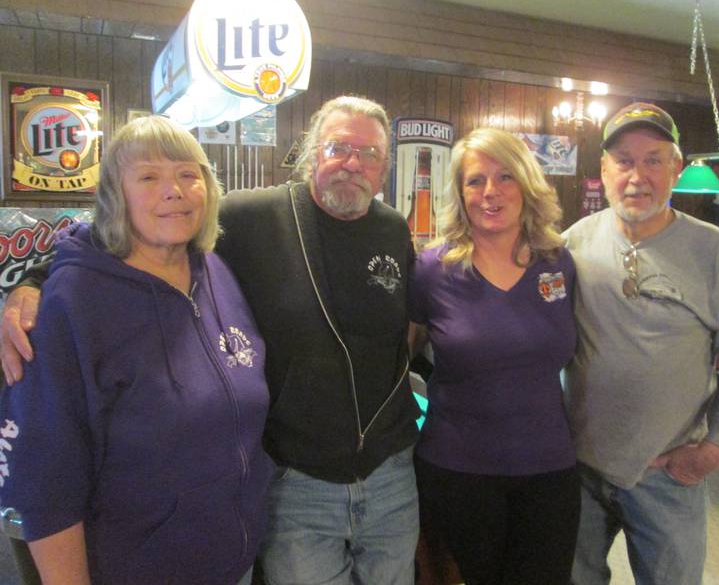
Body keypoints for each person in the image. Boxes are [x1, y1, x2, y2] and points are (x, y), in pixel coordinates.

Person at [1, 96, 421, 585]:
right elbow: (113, 237)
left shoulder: (390, 229)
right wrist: (33, 280)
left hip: (372, 481)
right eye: (338, 147)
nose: (352, 163)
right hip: (292, 487)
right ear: (312, 154)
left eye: (368, 153)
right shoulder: (253, 216)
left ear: (385, 166)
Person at [0, 115, 273, 585]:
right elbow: (47, 480)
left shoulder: (214, 270)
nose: (175, 190)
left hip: (233, 563)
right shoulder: (72, 301)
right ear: (114, 194)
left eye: (189, 174)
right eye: (149, 177)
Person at [563, 102, 719, 585]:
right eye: (624, 160)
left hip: (669, 477)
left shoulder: (717, 252)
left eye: (654, 160)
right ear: (604, 169)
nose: (637, 175)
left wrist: (716, 448)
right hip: (579, 473)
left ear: (676, 168)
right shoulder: (572, 244)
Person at [409, 127, 580, 584]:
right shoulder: (432, 269)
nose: (491, 192)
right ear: (460, 193)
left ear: (527, 184)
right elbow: (399, 360)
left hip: (550, 470)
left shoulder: (558, 263)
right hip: (457, 471)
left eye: (505, 177)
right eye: (475, 180)